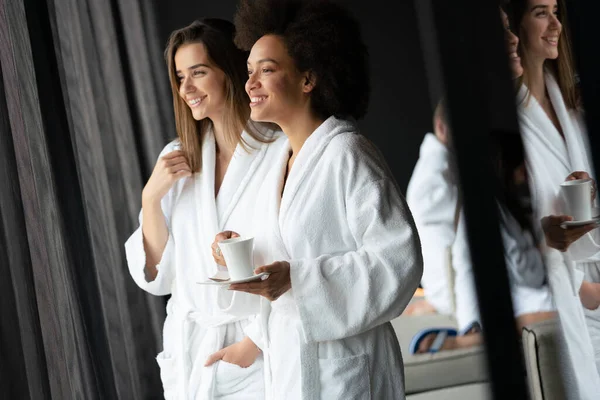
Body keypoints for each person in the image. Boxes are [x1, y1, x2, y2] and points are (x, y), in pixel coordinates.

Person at [205, 0, 424, 398]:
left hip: (348, 369)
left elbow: (399, 260)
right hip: (290, 365)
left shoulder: (348, 154)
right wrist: (235, 250)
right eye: (250, 71)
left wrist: (300, 279)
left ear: (308, 79)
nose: (250, 83)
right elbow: (285, 250)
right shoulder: (279, 161)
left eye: (266, 70)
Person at [123, 18, 286, 399]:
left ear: (230, 71)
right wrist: (150, 198)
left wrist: (254, 343)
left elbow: (296, 252)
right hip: (190, 347)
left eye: (198, 72)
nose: (187, 89)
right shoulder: (177, 158)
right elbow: (158, 278)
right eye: (180, 77)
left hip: (255, 347)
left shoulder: (279, 151)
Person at [410, 4, 557, 354]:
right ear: (445, 127)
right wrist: (467, 320)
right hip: (474, 292)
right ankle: (472, 336)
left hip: (486, 283)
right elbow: (462, 251)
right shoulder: (440, 181)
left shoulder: (459, 176)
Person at [505, 0, 600, 397]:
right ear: (516, 25)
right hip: (570, 296)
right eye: (541, 13)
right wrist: (589, 292)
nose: (555, 24)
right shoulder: (512, 122)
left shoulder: (572, 106)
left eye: (556, 11)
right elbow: (518, 227)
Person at [405, 99, 460, 317]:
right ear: (441, 127)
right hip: (447, 283)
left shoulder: (443, 165)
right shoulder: (433, 167)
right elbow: (422, 208)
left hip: (449, 278)